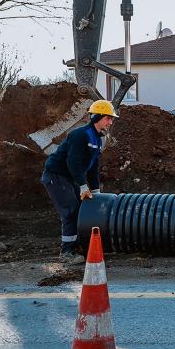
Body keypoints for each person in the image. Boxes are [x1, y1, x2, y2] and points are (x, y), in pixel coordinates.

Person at [40, 100, 118, 264]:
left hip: (70, 177)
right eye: (108, 118)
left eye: (111, 119)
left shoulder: (97, 139)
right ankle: (67, 252)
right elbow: (73, 163)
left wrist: (96, 192)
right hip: (56, 176)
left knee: (82, 209)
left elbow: (92, 166)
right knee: (71, 210)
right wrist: (83, 186)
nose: (110, 122)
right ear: (97, 117)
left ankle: (78, 245)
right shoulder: (80, 135)